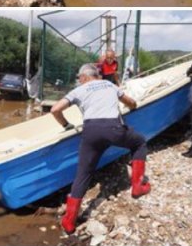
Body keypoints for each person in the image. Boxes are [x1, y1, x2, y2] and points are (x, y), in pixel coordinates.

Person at [51, 63, 151, 234]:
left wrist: (66, 124)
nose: (78, 81)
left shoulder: (78, 91)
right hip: (114, 129)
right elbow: (131, 102)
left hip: (90, 132)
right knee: (139, 142)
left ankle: (69, 222)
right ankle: (137, 186)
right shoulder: (109, 84)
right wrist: (133, 107)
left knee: (83, 174)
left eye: (79, 78)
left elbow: (54, 110)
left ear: (84, 77)